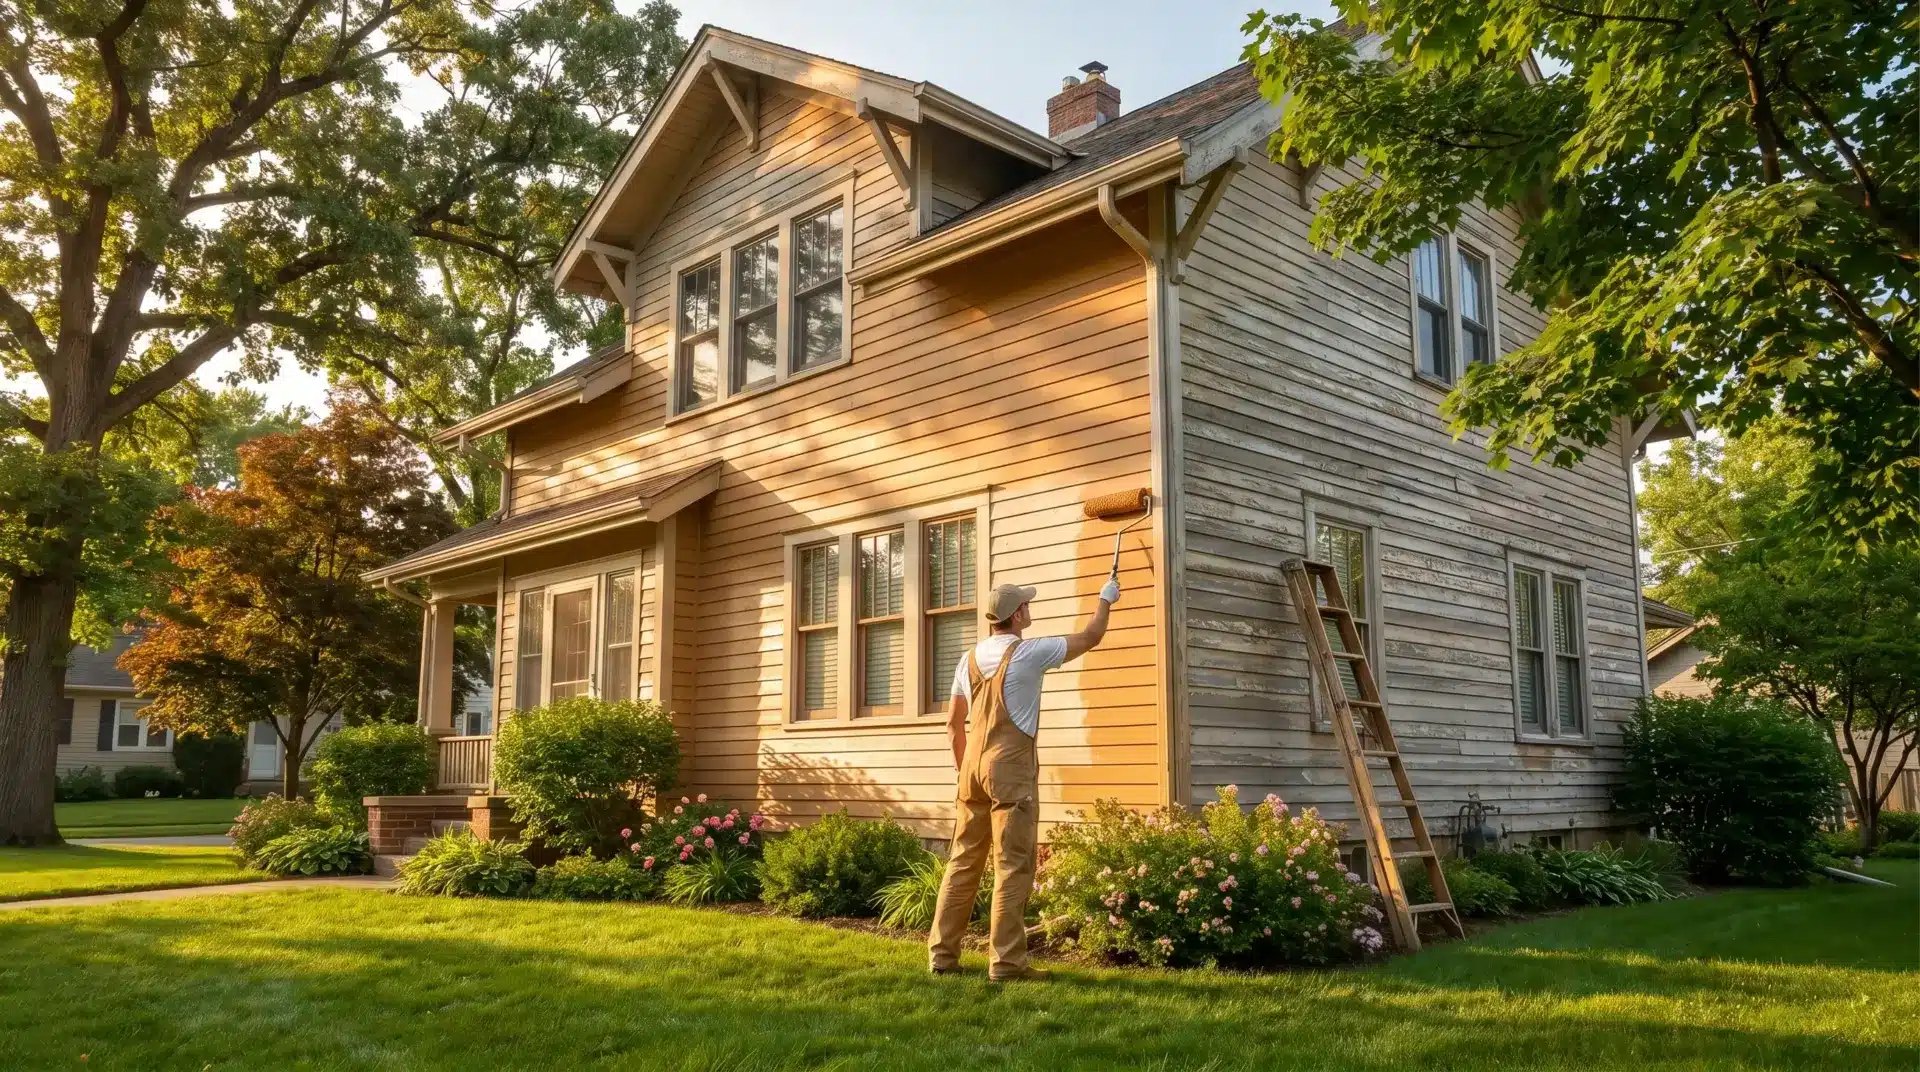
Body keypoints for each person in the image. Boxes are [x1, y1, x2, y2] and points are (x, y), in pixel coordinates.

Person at [927, 574, 1119, 981]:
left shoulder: (969, 658)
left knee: (962, 863)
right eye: (1027, 606)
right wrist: (1105, 598)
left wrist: (967, 773)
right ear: (1016, 615)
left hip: (970, 771)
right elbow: (1090, 637)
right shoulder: (1031, 652)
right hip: (1009, 770)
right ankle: (1007, 963)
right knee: (1012, 865)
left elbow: (952, 725)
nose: (1030, 610)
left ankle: (943, 958)